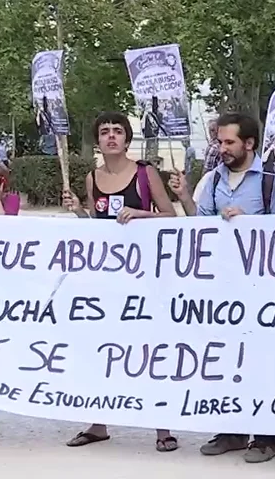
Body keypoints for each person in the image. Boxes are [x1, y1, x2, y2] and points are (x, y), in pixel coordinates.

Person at [168, 112, 275, 463]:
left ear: (249, 143)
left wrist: (248, 224)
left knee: (263, 361)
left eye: (228, 142)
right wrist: (187, 197)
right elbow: (201, 226)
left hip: (262, 286)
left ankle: (267, 437)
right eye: (219, 142)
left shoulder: (272, 180)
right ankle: (231, 431)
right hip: (223, 286)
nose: (221, 148)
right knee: (225, 356)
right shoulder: (214, 178)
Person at [61, 111, 177, 451]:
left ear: (127, 138)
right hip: (108, 278)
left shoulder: (145, 173)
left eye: (117, 131)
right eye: (104, 132)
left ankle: (163, 428)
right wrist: (78, 211)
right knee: (103, 348)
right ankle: (98, 424)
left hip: (145, 276)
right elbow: (97, 227)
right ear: (97, 141)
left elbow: (170, 216)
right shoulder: (91, 178)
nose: (111, 136)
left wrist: (141, 214)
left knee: (149, 350)